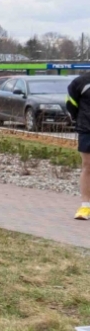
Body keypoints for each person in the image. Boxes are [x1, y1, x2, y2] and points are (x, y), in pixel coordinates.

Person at [68, 72, 90, 221]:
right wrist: (79, 119)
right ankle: (85, 206)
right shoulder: (81, 82)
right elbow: (71, 104)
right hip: (87, 129)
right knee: (88, 166)